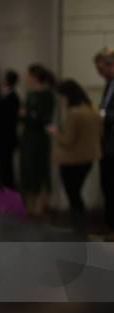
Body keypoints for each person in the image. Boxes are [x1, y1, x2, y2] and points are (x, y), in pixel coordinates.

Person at [46, 80, 101, 234]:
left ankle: (79, 228)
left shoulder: (73, 114)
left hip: (72, 160)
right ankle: (81, 227)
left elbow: (67, 141)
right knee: (77, 194)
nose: (61, 101)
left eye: (61, 97)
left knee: (74, 196)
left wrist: (54, 131)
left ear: (67, 96)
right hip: (89, 158)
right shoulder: (92, 110)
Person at [19, 64, 56, 217]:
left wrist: (26, 115)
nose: (26, 79)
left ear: (34, 77)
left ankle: (40, 205)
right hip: (28, 138)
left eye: (28, 75)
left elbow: (42, 118)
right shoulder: (30, 94)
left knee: (38, 170)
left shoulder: (46, 95)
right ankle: (29, 205)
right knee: (27, 171)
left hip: (38, 139)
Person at [95, 48, 114, 237]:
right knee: (107, 186)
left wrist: (103, 114)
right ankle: (109, 226)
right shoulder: (109, 84)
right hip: (106, 144)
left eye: (102, 68)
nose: (100, 73)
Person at [0, 70, 21, 188]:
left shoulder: (12, 98)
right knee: (2, 164)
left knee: (6, 165)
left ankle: (7, 188)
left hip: (6, 136)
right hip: (2, 136)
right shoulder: (5, 96)